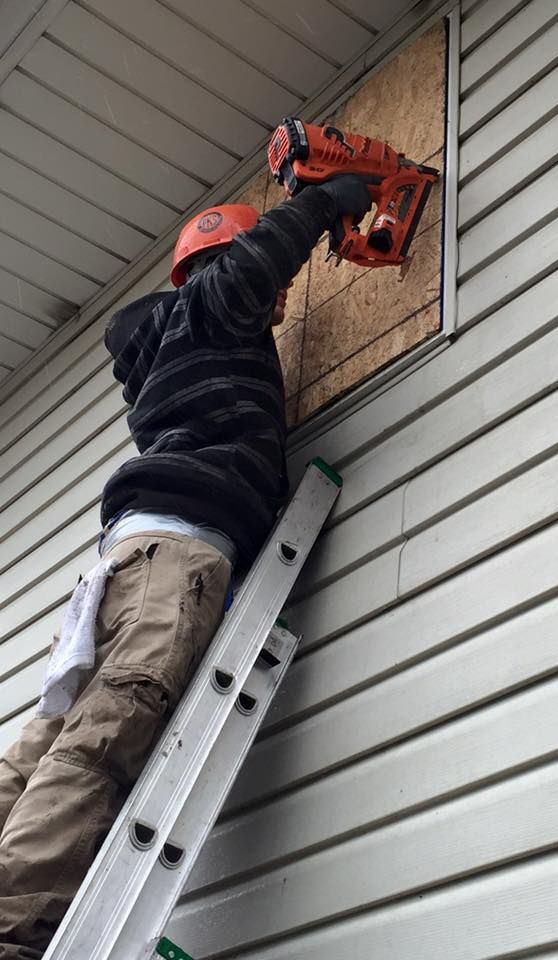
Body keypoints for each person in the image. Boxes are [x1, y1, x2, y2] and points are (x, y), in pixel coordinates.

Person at [0, 175, 372, 958]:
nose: (277, 302)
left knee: (45, 743)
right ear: (218, 266)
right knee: (99, 743)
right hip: (178, 558)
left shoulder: (166, 347)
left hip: (125, 559)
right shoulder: (212, 312)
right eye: (271, 289)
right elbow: (248, 271)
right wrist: (328, 200)